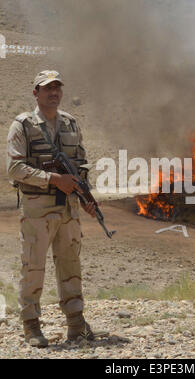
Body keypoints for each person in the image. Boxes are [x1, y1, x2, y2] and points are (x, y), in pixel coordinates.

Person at [6, 70, 99, 348]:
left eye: (57, 87)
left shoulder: (70, 123)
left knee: (70, 264)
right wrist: (54, 179)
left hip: (68, 209)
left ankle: (75, 323)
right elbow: (14, 168)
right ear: (36, 93)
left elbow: (81, 164)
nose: (53, 92)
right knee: (33, 267)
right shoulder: (22, 125)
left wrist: (87, 197)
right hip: (37, 209)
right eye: (47, 88)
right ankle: (31, 325)